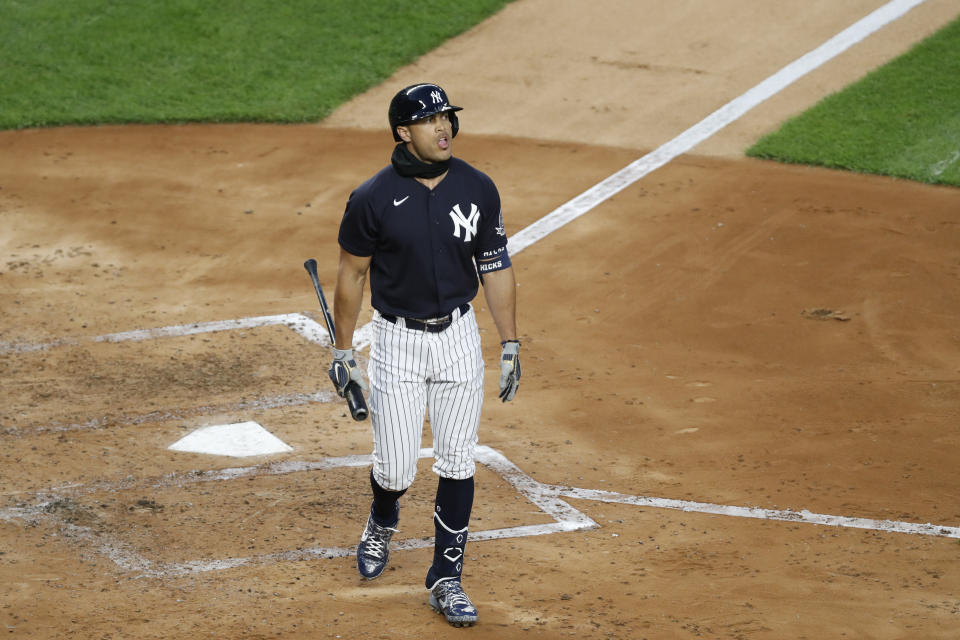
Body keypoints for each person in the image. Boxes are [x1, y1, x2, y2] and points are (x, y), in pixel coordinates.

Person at [328, 82, 521, 627]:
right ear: (402, 132)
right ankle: (382, 519)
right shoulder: (372, 197)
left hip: (459, 337)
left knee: (458, 460)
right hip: (397, 342)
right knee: (394, 468)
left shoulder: (478, 188)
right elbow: (352, 275)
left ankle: (445, 578)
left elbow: (496, 266)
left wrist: (509, 342)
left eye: (447, 118)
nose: (444, 128)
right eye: (431, 120)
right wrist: (343, 351)